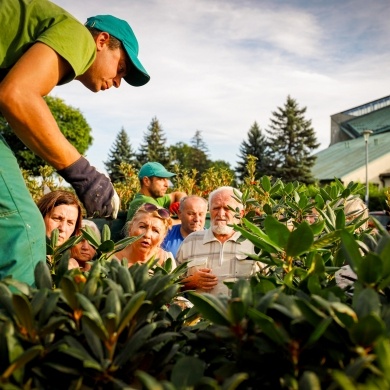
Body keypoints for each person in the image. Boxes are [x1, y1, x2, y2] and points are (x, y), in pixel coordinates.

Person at [0, 1, 149, 284]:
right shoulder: (81, 38)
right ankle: (20, 326)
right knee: (24, 226)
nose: (118, 82)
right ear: (102, 41)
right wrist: (86, 175)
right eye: (121, 68)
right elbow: (17, 96)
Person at [176, 186, 262, 296]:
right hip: (200, 313)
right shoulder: (190, 241)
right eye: (216, 208)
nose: (221, 214)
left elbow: (269, 285)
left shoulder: (254, 243)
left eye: (227, 208)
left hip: (243, 313)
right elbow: (172, 285)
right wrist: (189, 283)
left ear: (240, 214)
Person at [115, 203, 175, 268]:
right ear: (130, 228)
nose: (147, 235)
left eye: (155, 231)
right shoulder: (111, 257)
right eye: (142, 227)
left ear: (163, 237)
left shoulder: (167, 260)